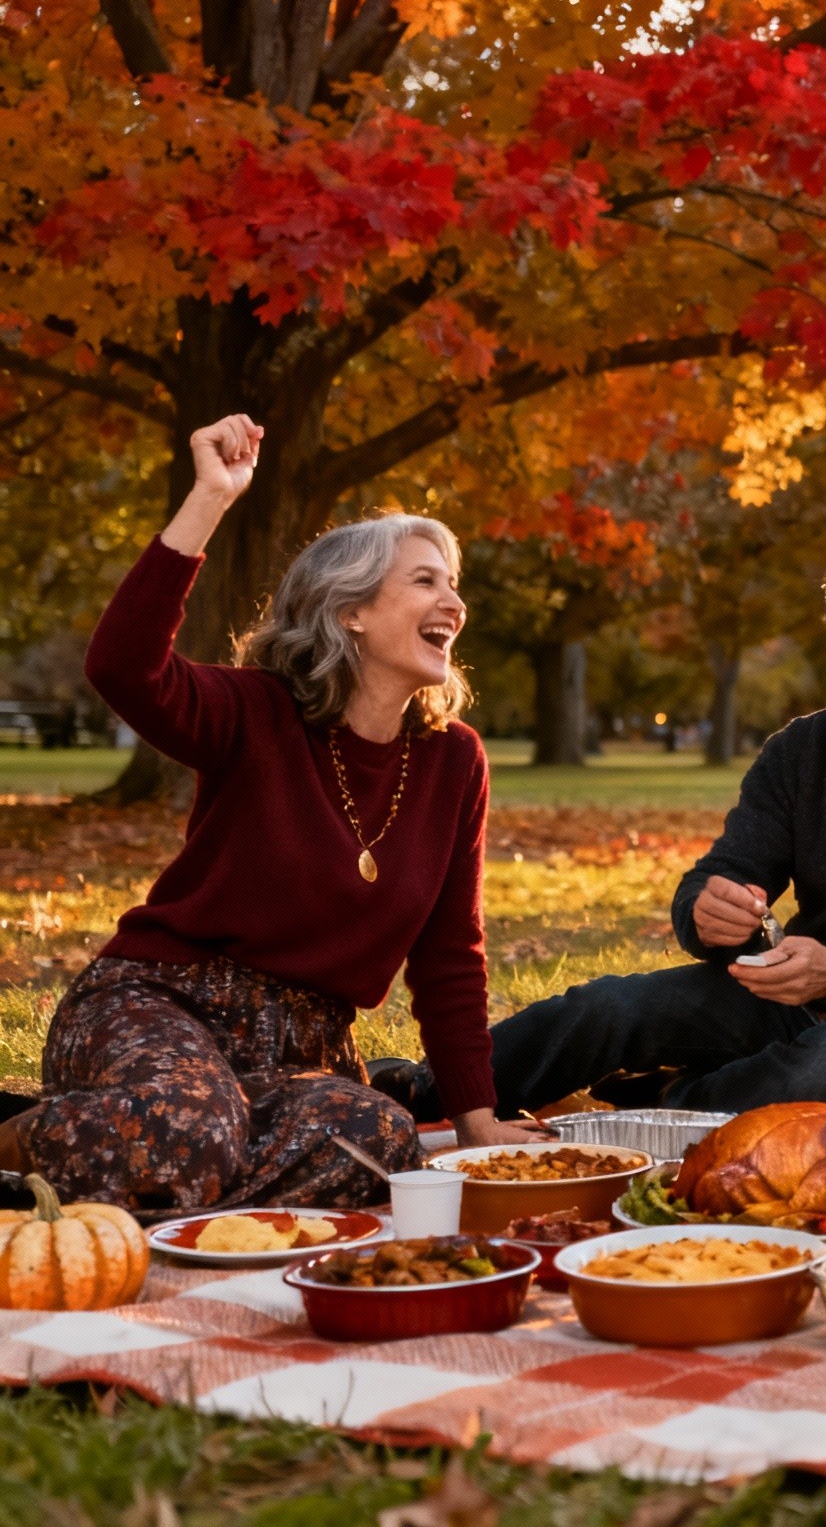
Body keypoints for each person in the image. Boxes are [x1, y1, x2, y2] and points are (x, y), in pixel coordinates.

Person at [0, 416, 535, 1213]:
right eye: (425, 580)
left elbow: (449, 953)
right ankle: (22, 1139)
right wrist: (212, 498)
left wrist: (476, 1121)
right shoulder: (257, 712)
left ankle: (154, 1174)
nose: (453, 602)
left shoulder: (454, 759)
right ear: (349, 610)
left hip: (301, 1046)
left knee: (378, 1142)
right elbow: (122, 666)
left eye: (453, 584)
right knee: (193, 1129)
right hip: (159, 1000)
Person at [373, 538, 826, 1123]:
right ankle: (425, 1093)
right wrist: (709, 910)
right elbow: (713, 881)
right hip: (790, 998)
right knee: (609, 1006)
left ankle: (655, 1112)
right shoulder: (799, 750)